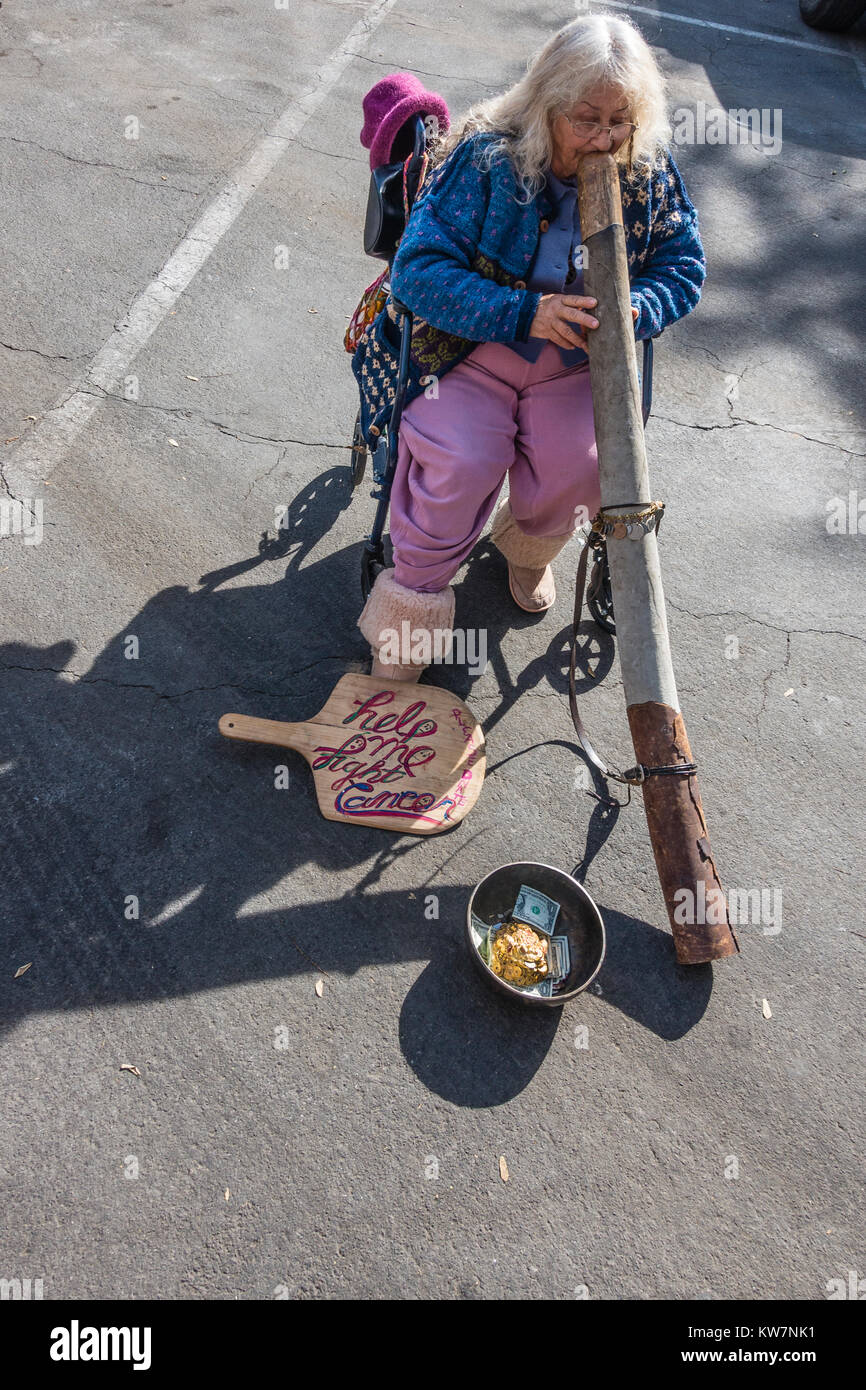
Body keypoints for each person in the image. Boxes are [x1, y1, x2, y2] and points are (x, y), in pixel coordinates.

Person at [352, 13, 707, 680]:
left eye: (620, 120)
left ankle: (526, 545)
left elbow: (683, 266)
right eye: (587, 119)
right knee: (463, 458)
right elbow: (418, 271)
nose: (605, 137)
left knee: (581, 461)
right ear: (546, 106)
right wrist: (525, 311)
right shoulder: (487, 157)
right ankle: (410, 615)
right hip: (467, 353)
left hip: (575, 367)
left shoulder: (647, 170)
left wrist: (638, 305)